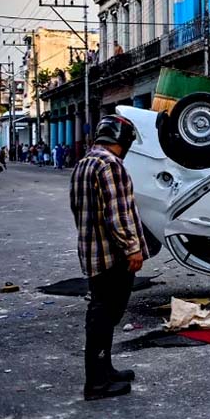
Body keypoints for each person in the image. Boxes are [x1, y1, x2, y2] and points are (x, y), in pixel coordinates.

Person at [70, 115, 151, 401]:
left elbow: (77, 208)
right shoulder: (111, 165)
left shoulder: (84, 163)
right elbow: (118, 215)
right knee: (105, 316)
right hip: (112, 256)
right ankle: (96, 383)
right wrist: (133, 248)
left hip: (92, 252)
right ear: (123, 140)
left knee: (101, 314)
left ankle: (105, 370)